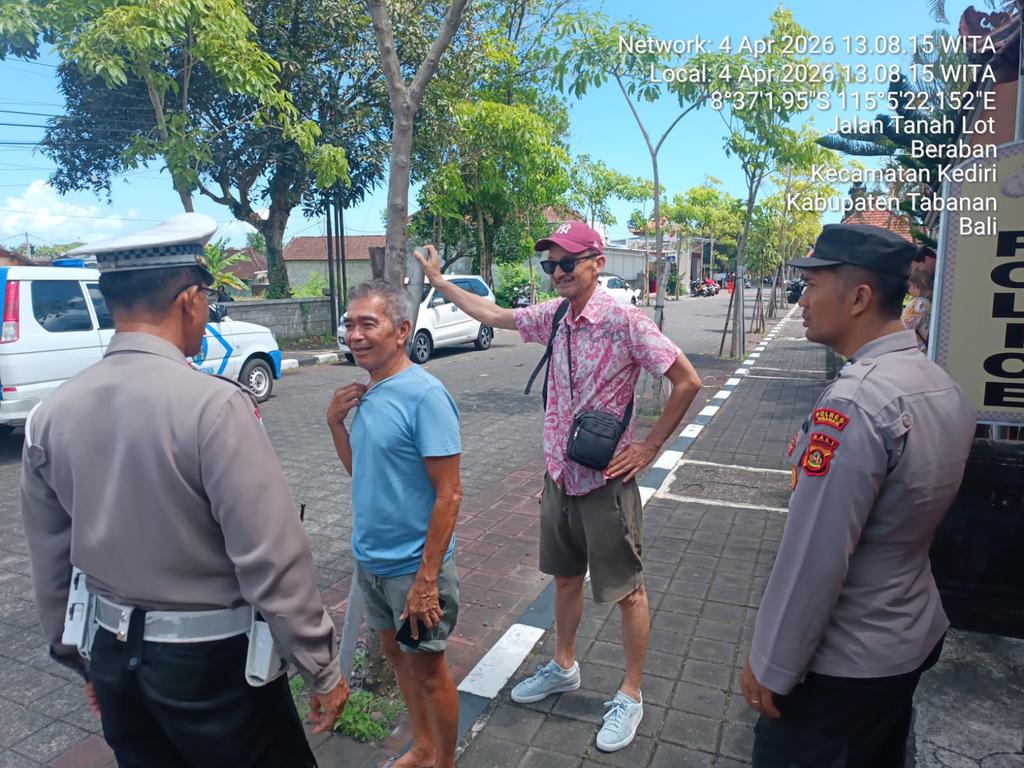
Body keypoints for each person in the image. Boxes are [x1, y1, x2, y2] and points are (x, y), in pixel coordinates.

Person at [20, 214, 348, 768]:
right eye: (208, 298)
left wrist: (82, 658)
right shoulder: (214, 406)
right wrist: (321, 667)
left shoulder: (50, 415)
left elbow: (51, 562)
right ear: (189, 299)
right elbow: (271, 558)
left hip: (115, 656)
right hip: (213, 667)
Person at [414, 222, 703, 753]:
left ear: (597, 261)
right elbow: (495, 316)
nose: (558, 273)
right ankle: (564, 666)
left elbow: (686, 379)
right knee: (565, 578)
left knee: (627, 591)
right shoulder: (554, 319)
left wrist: (648, 448)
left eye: (567, 262)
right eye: (551, 265)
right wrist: (440, 281)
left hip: (604, 481)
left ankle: (631, 695)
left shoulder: (625, 321)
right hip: (558, 476)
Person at [741, 223, 976, 768]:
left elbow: (815, 558)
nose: (801, 299)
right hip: (906, 636)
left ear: (859, 297)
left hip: (841, 667)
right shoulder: (938, 383)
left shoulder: (856, 401)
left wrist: (771, 664)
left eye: (813, 285)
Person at [327, 280, 463, 768]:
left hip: (413, 568)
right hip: (373, 562)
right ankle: (422, 747)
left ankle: (444, 762)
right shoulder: (365, 394)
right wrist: (335, 425)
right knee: (402, 664)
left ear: (403, 330)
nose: (355, 335)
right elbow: (361, 472)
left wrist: (426, 580)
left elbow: (450, 493)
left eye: (368, 323)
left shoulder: (425, 396)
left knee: (430, 672)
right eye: (349, 324)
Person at [901, 268, 933, 353]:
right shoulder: (929, 303)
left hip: (914, 348)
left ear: (916, 286)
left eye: (909, 286)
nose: (908, 290)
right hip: (925, 348)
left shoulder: (916, 304)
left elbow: (905, 327)